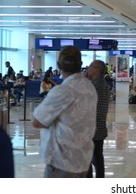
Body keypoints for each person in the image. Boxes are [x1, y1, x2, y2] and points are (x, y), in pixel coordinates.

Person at [32, 46, 97, 178]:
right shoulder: (89, 87)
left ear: (58, 65)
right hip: (83, 158)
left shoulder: (63, 90)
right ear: (81, 64)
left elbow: (37, 121)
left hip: (62, 160)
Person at [85, 60, 110, 178]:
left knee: (87, 160)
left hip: (91, 129)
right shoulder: (103, 84)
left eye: (90, 66)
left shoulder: (95, 86)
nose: (87, 68)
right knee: (98, 158)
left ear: (97, 70)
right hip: (100, 127)